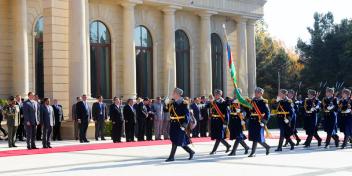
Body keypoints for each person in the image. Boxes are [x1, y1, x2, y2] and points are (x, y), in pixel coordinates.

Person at [165, 88, 195, 162]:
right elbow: (165, 110)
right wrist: (165, 103)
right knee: (178, 140)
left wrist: (184, 125)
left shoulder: (184, 103)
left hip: (180, 124)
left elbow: (187, 115)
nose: (172, 94)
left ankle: (171, 157)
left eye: (174, 93)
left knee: (175, 140)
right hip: (173, 123)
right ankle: (191, 152)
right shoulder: (172, 102)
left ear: (178, 94)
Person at [246, 87, 271, 157]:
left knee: (256, 137)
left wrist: (264, 121)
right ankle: (267, 146)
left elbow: (267, 113)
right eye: (255, 92)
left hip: (259, 121)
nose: (256, 93)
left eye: (257, 92)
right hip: (252, 121)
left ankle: (253, 152)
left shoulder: (263, 102)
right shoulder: (252, 101)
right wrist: (245, 118)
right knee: (255, 137)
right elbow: (249, 111)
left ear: (261, 93)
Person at [208, 89, 231, 155]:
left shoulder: (224, 102)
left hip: (220, 121)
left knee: (219, 136)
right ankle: (227, 145)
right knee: (217, 136)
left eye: (217, 94)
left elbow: (227, 113)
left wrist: (226, 123)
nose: (216, 95)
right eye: (215, 94)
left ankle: (214, 150)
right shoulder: (213, 102)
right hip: (214, 121)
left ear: (220, 95)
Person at [228, 89, 250, 156]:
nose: (235, 94)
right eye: (234, 93)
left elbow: (247, 111)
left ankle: (233, 151)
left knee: (238, 136)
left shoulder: (243, 101)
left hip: (239, 120)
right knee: (237, 136)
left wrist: (244, 119)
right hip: (232, 120)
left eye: (237, 93)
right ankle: (246, 147)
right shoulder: (231, 101)